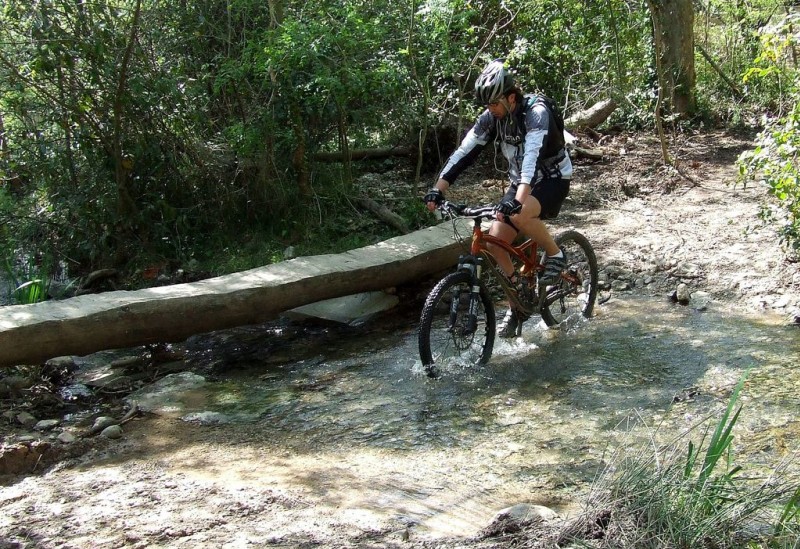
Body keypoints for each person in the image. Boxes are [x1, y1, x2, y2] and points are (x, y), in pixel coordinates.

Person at [423, 58, 572, 338]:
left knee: (519, 213)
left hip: (552, 179)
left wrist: (517, 199)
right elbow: (465, 152)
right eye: (487, 106)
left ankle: (556, 253)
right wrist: (438, 189)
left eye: (493, 104)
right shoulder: (492, 118)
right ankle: (519, 300)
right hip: (521, 184)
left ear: (511, 97)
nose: (490, 110)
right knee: (495, 241)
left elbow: (531, 157)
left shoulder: (536, 113)